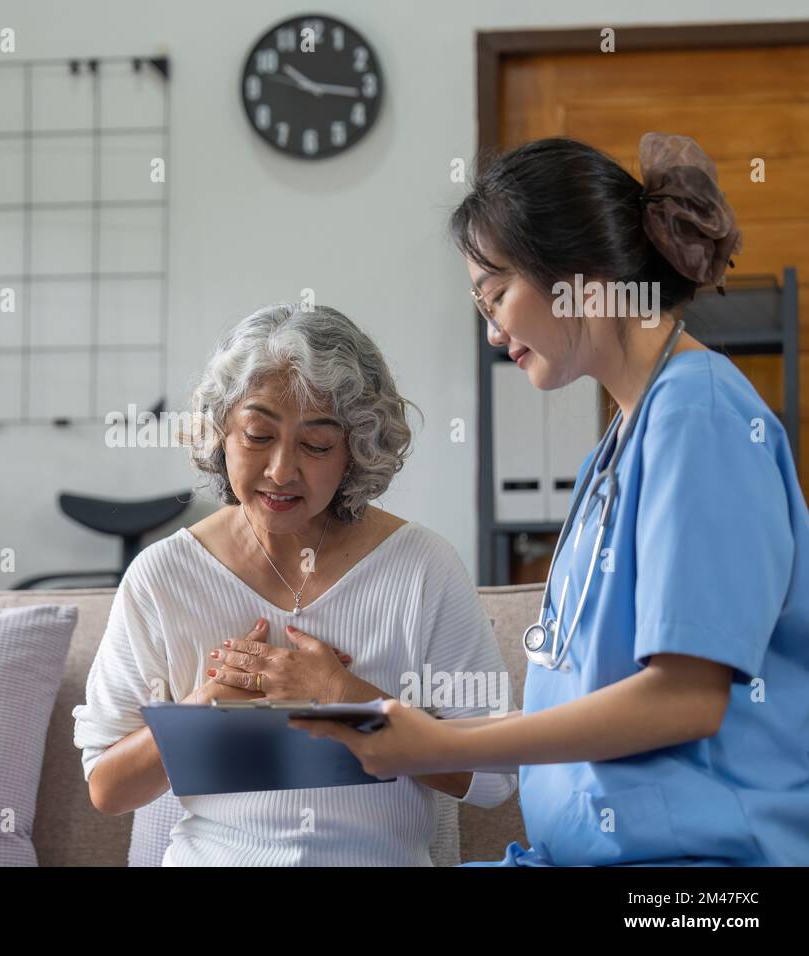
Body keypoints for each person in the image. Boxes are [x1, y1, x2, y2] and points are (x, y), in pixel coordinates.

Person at [295, 134, 809, 866]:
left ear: (582, 275)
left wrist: (439, 742)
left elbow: (685, 698)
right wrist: (409, 734)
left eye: (496, 294)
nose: (494, 330)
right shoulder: (624, 440)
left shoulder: (700, 415)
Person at [72, 303, 516, 865]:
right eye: (258, 435)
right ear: (220, 434)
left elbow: (497, 777)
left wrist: (347, 700)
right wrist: (205, 707)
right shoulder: (164, 576)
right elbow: (108, 789)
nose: (282, 470)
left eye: (316, 445)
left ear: (356, 449)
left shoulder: (423, 567)